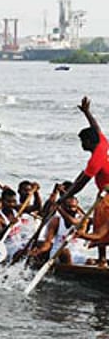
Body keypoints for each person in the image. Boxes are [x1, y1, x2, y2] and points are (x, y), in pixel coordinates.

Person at [60, 96, 109, 267]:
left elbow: (81, 184)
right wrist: (87, 112)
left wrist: (65, 196)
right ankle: (102, 259)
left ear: (88, 142)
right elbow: (97, 128)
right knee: (99, 224)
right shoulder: (103, 142)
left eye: (82, 141)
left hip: (107, 195)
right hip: (103, 192)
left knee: (101, 227)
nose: (81, 144)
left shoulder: (95, 159)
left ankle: (103, 260)